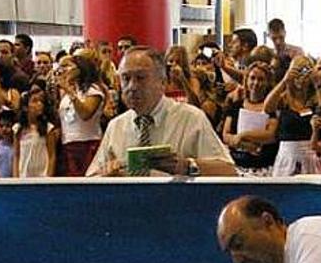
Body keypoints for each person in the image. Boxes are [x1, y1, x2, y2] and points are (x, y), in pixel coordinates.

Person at [86, 46, 236, 177]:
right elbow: (91, 177)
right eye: (126, 78)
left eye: (141, 78)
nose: (132, 86)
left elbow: (228, 170)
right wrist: (105, 175)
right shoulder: (116, 126)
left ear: (163, 82)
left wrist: (186, 166)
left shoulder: (191, 119)